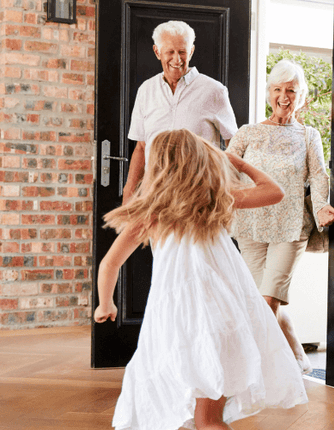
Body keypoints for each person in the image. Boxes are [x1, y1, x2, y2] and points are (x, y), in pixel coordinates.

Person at [94, 129, 308, 430]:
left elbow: (109, 263)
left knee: (187, 413)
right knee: (208, 419)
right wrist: (238, 163)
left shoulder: (152, 213)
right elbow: (274, 191)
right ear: (202, 161)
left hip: (179, 325)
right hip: (223, 320)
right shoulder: (216, 201)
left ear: (157, 167)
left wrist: (106, 303)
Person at [225, 59, 334, 374]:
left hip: (290, 227)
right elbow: (225, 172)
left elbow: (318, 176)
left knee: (269, 299)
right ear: (269, 93)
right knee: (258, 296)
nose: (283, 96)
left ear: (300, 96)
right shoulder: (247, 133)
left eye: (291, 90)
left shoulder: (308, 135)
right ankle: (298, 355)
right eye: (277, 89)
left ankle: (255, 370)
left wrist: (320, 208)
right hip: (250, 226)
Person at [124, 20, 238, 205]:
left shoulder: (214, 90)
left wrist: (225, 190)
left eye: (182, 52)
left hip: (199, 198)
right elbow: (141, 147)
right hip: (156, 197)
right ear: (157, 52)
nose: (177, 59)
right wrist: (129, 191)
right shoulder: (146, 90)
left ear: (191, 51)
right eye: (170, 52)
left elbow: (234, 144)